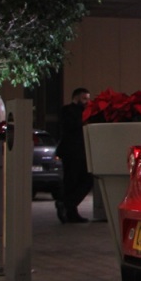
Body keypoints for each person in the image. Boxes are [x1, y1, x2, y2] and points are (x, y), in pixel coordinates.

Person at [55, 87, 93, 223]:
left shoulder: (86, 111)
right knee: (71, 182)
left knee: (87, 180)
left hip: (83, 152)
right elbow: (71, 126)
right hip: (71, 152)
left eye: (88, 99)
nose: (87, 102)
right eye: (84, 98)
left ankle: (67, 205)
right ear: (76, 98)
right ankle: (70, 210)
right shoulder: (67, 110)